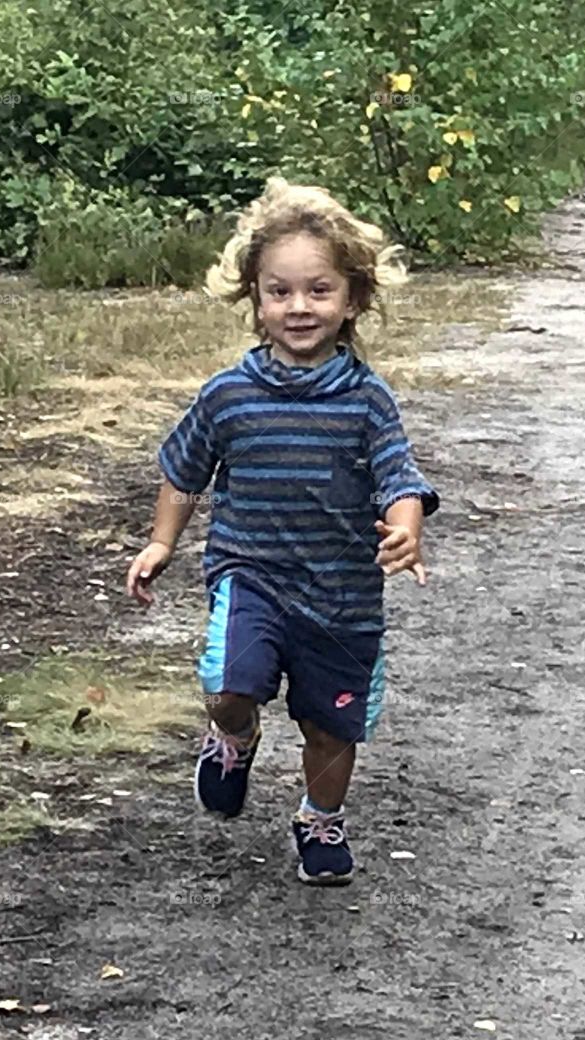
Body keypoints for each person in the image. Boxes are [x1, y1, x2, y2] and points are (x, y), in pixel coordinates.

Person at [125, 177, 438, 886]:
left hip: (342, 596)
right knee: (229, 685)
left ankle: (320, 819)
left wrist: (405, 529)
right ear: (255, 299)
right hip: (251, 577)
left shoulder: (367, 400)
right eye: (280, 291)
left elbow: (399, 476)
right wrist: (162, 542)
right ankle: (233, 737)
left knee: (331, 727)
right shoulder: (228, 395)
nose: (299, 307)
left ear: (353, 299)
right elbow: (184, 471)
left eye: (319, 290)